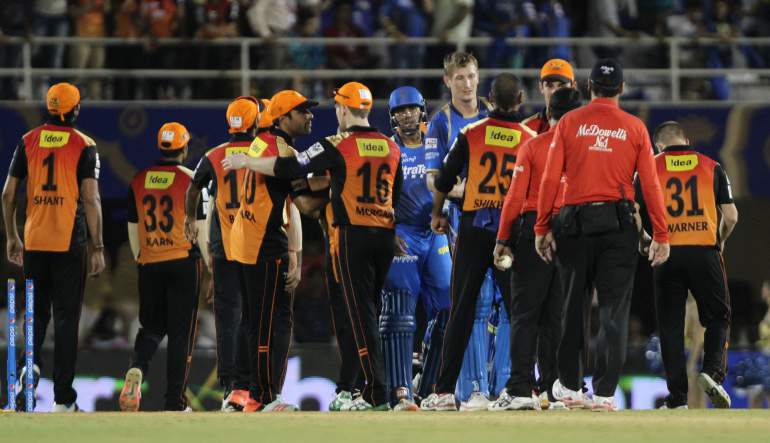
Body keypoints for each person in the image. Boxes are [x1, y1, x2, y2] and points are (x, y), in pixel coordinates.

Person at [223, 81, 403, 411]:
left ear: (345, 110)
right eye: (303, 111)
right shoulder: (391, 147)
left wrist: (248, 162)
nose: (312, 116)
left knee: (354, 317)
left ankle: (373, 392)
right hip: (385, 234)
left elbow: (295, 179)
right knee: (366, 314)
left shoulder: (332, 144)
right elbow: (397, 196)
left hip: (347, 237)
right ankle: (353, 389)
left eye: (334, 107)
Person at [533, 58, 671, 411]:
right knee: (613, 313)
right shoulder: (636, 128)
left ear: (589, 88)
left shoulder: (569, 123)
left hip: (575, 226)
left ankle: (570, 387)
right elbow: (651, 185)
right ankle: (606, 394)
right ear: (622, 89)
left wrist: (542, 226)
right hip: (619, 228)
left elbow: (550, 179)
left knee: (572, 309)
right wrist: (661, 233)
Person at [421, 73, 535, 411]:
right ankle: (525, 389)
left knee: (462, 308)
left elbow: (443, 178)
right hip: (511, 232)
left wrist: (438, 213)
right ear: (520, 100)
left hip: (474, 228)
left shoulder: (471, 134)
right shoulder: (530, 138)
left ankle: (442, 393)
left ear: (488, 99)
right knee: (520, 312)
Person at [2, 82, 105, 412]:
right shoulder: (84, 144)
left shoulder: (27, 140)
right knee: (65, 319)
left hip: (34, 241)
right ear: (74, 110)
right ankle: (63, 399)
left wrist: (11, 236)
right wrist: (98, 246)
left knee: (35, 315)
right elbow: (91, 199)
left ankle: (27, 373)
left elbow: (7, 195)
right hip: (68, 244)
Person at [490, 87, 582, 411]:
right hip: (573, 233)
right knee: (556, 317)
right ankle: (555, 391)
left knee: (525, 314)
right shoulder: (586, 151)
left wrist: (503, 238)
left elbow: (514, 197)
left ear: (549, 113)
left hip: (535, 229)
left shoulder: (534, 145)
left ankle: (519, 389)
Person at [637, 121, 738, 409]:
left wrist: (646, 240)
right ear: (686, 140)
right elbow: (731, 216)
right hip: (703, 251)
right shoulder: (712, 166)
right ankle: (712, 373)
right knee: (718, 316)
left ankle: (677, 398)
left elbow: (631, 209)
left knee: (670, 326)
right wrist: (719, 240)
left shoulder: (649, 167)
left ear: (659, 146)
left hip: (665, 252)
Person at [424, 50, 503, 410]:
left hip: (502, 219)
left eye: (471, 76)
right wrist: (471, 192)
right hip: (464, 219)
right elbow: (432, 180)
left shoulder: (493, 113)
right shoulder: (440, 123)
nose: (467, 84)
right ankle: (472, 388)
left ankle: (504, 386)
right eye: (459, 78)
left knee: (507, 304)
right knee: (476, 302)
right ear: (447, 81)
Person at [227, 90, 312, 412]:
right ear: (283, 118)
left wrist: (297, 254)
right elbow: (293, 177)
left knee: (253, 321)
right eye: (302, 111)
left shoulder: (261, 141)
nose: (309, 116)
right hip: (263, 241)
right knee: (267, 322)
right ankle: (262, 397)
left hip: (247, 238)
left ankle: (243, 389)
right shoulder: (277, 148)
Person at [121, 122, 206, 412]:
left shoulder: (139, 179)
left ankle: (137, 367)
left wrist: (140, 259)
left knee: (151, 327)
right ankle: (174, 402)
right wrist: (211, 267)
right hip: (183, 261)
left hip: (150, 262)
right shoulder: (192, 179)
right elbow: (202, 229)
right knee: (181, 334)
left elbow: (133, 228)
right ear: (184, 148)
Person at [184, 96, 259, 411]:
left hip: (224, 248)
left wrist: (189, 219)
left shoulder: (213, 156)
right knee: (256, 317)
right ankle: (255, 384)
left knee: (227, 318)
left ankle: (230, 386)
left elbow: (194, 191)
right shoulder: (263, 152)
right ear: (255, 123)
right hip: (255, 246)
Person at [379, 86, 452, 412]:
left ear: (423, 111)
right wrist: (388, 231)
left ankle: (431, 383)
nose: (406, 115)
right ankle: (400, 391)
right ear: (392, 117)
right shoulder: (387, 150)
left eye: (411, 109)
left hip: (435, 233)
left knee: (450, 308)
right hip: (402, 235)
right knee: (398, 315)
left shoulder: (437, 146)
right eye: (400, 111)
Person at [522, 58, 577, 135]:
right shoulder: (528, 128)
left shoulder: (585, 127)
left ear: (573, 87)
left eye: (562, 86)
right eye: (549, 86)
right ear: (541, 87)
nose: (554, 91)